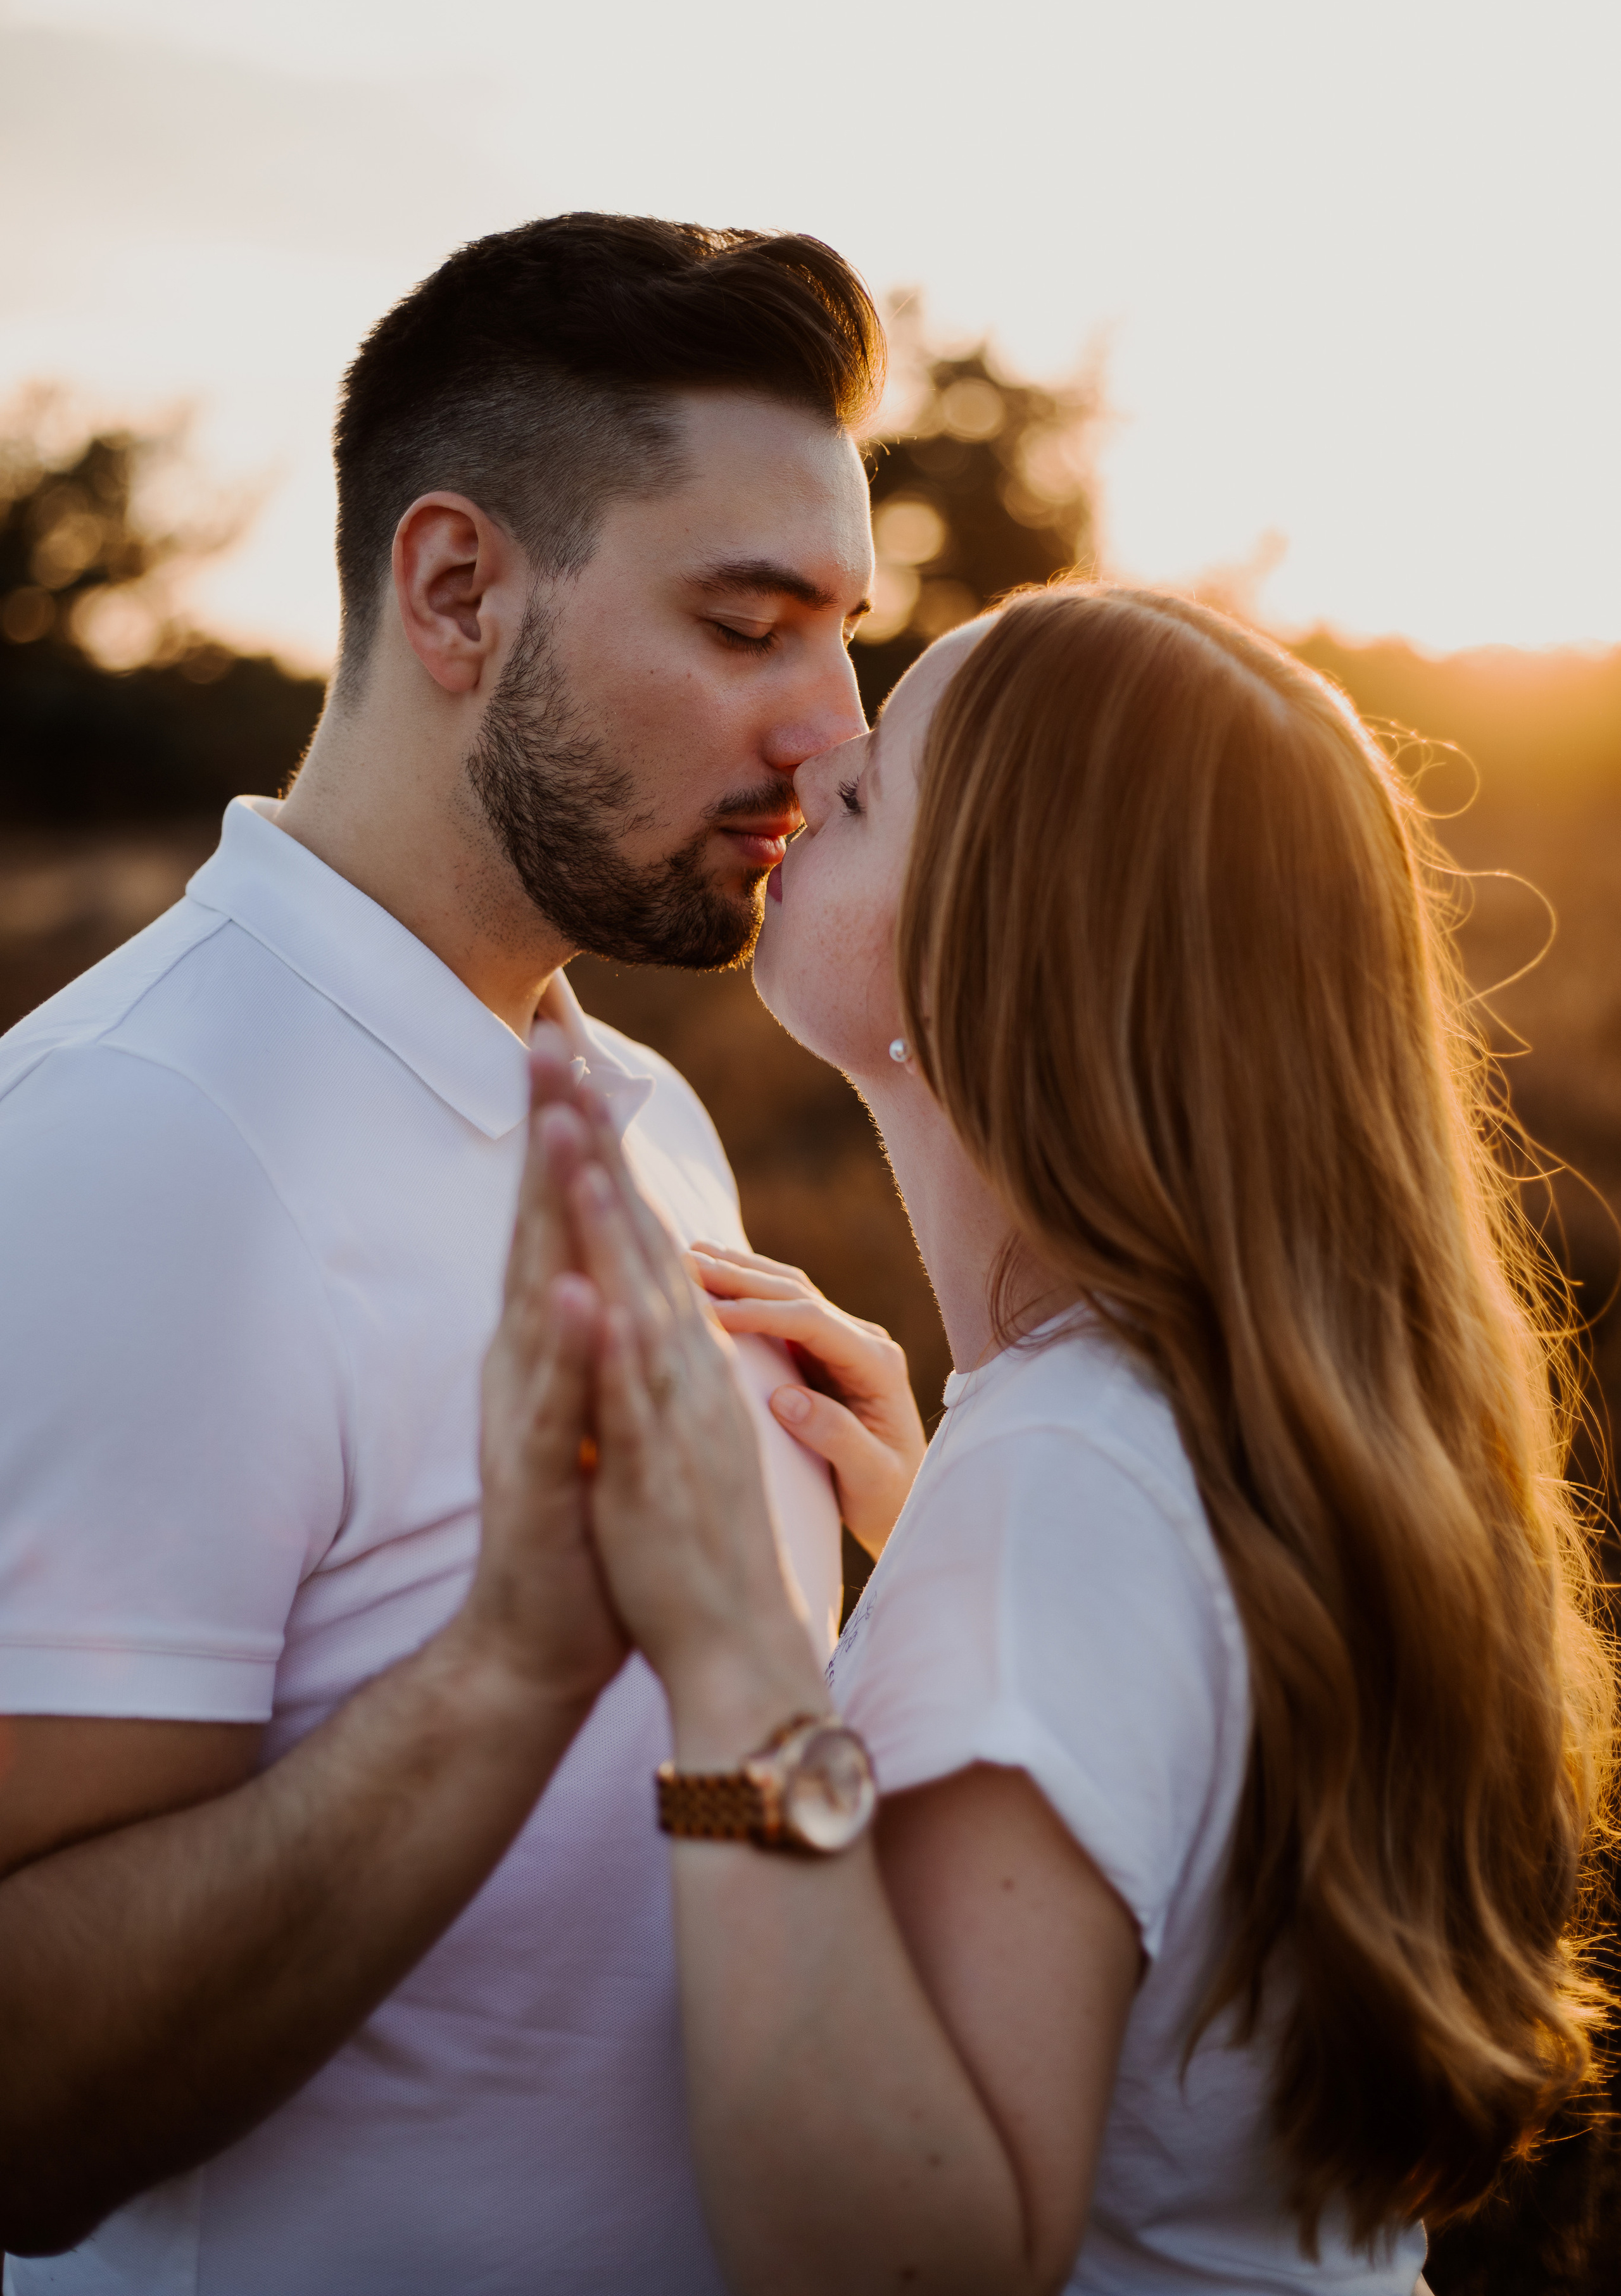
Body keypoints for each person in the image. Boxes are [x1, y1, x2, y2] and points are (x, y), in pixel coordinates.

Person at [496, 585, 1617, 2294]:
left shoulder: (1074, 1487)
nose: (811, 765)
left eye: (866, 797)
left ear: (1000, 948)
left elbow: (922, 2266)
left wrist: (741, 1678)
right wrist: (940, 1541)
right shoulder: (1236, 1433)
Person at [0, 213, 888, 2292]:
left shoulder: (653, 1128)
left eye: (844, 634)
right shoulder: (140, 1140)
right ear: (462, 589)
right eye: (752, 624)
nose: (832, 731)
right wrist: (502, 1669)